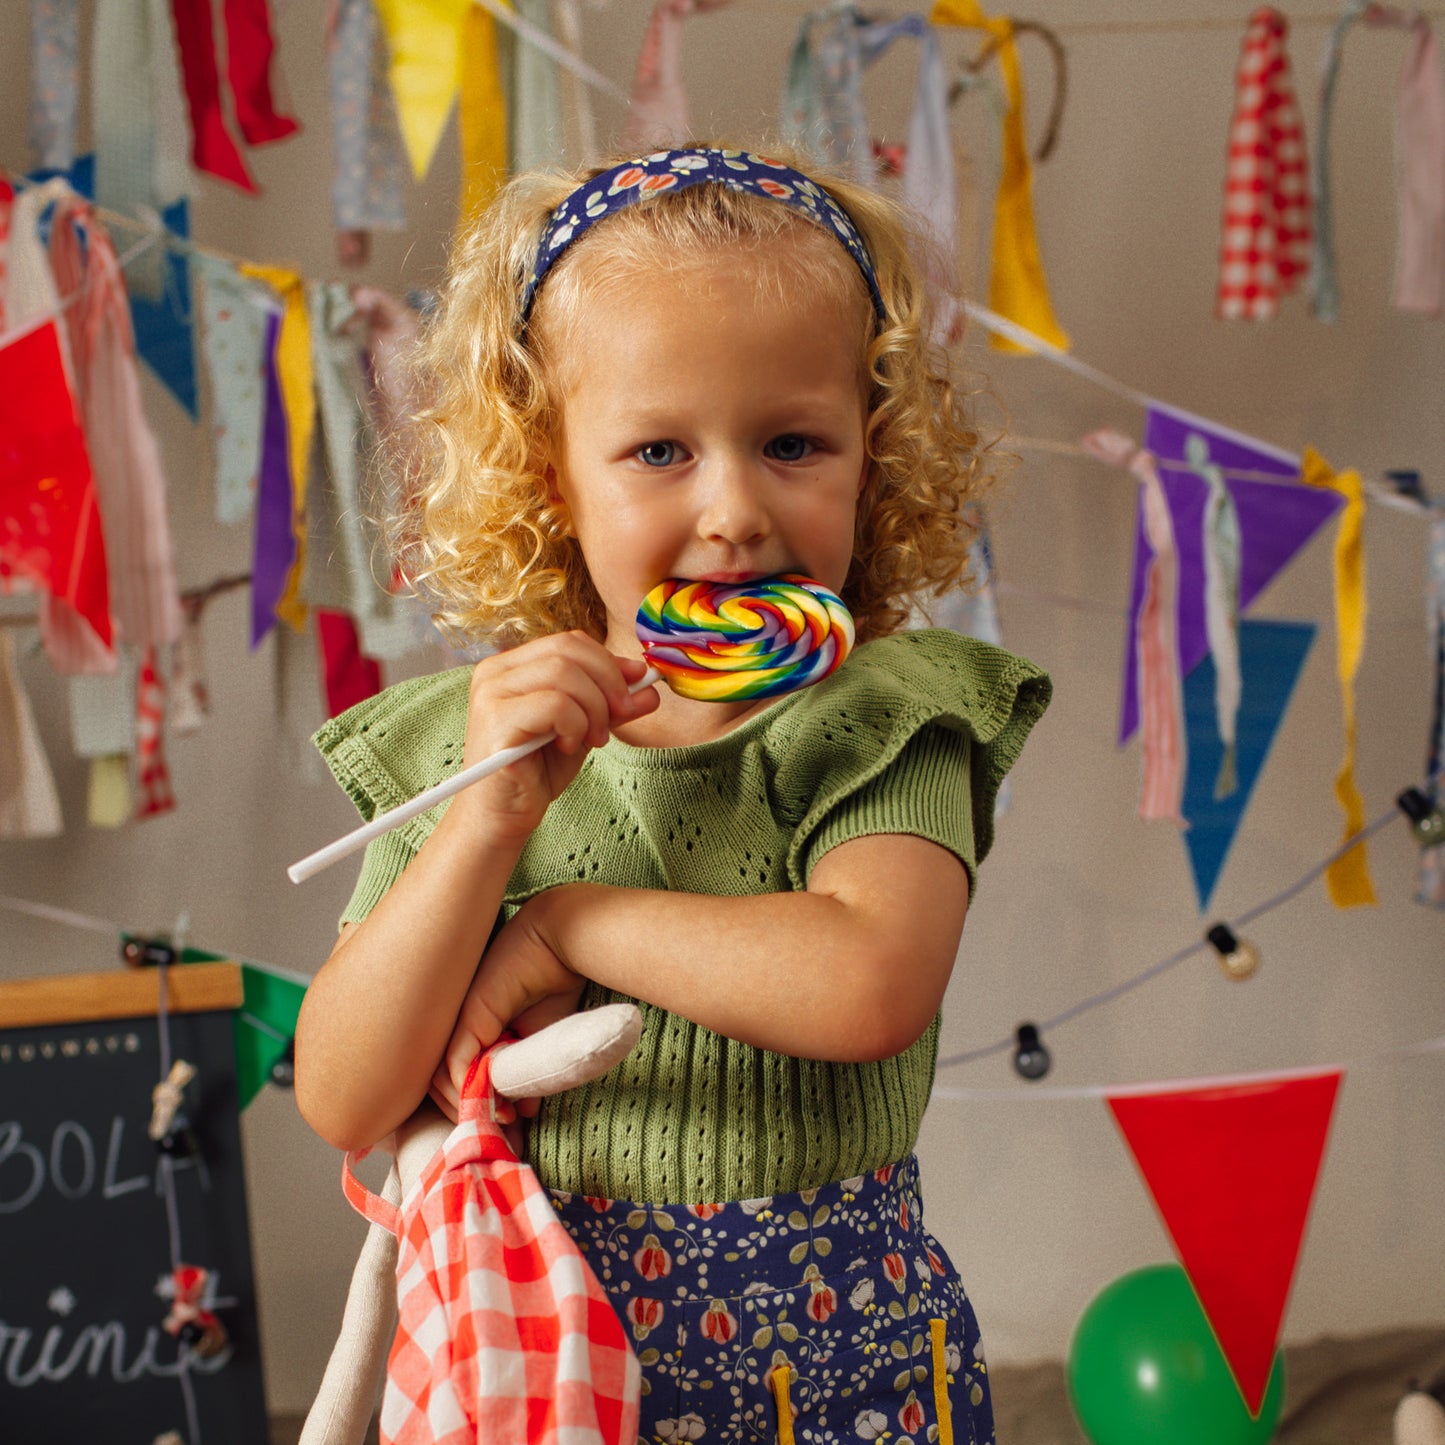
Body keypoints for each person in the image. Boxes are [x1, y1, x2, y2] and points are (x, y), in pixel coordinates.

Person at [295, 144, 1051, 1445]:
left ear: (871, 457)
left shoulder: (885, 714)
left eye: (791, 444)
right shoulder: (472, 747)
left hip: (837, 1384)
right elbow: (347, 1098)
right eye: (658, 449)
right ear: (552, 477)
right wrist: (488, 823)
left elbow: (870, 978)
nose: (734, 510)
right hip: (542, 1375)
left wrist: (569, 924)